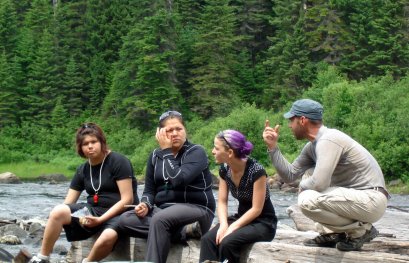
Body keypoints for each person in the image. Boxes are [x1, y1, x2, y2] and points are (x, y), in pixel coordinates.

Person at [263, 98, 389, 251]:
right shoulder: (312, 146)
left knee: (307, 199)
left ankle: (361, 231)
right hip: (359, 200)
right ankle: (334, 234)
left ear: (302, 120)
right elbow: (289, 175)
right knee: (308, 176)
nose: (290, 125)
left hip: (371, 200)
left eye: (292, 120)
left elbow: (319, 184)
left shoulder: (329, 139)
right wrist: (273, 147)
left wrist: (303, 187)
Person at [29, 123, 139, 263]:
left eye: (94, 142)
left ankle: (88, 261)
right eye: (85, 144)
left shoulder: (118, 161)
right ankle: (43, 258)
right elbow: (68, 203)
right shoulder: (83, 169)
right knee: (58, 211)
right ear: (80, 148)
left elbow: (127, 199)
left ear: (102, 142)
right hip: (93, 211)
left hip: (121, 214)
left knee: (107, 237)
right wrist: (73, 218)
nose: (90, 146)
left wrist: (101, 219)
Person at [119, 110, 216, 263]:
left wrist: (167, 151)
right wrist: (145, 204)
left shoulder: (196, 152)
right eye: (169, 130)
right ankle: (184, 231)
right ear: (160, 134)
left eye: (179, 129)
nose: (175, 133)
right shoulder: (154, 156)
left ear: (185, 131)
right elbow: (149, 190)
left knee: (160, 220)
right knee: (125, 219)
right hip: (164, 213)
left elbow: (179, 179)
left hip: (197, 209)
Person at [200, 130, 277, 263]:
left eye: (216, 148)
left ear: (230, 152)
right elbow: (222, 202)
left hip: (263, 222)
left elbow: (256, 209)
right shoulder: (225, 169)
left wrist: (232, 227)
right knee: (207, 239)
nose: (213, 151)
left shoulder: (256, 171)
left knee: (227, 242)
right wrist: (224, 224)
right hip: (241, 219)